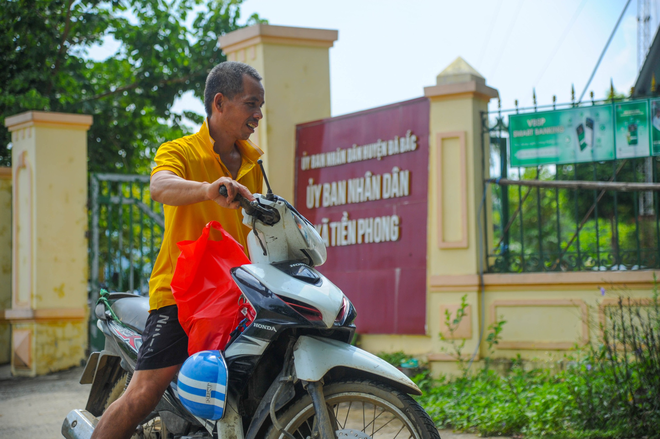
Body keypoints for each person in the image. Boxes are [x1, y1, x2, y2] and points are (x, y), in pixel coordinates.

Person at [91, 61, 265, 439]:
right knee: (143, 394)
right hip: (181, 296)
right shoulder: (181, 150)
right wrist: (206, 189)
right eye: (251, 104)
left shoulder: (255, 163)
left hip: (238, 300)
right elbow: (160, 187)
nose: (258, 115)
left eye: (260, 106)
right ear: (220, 102)